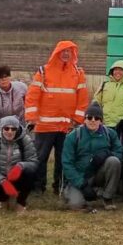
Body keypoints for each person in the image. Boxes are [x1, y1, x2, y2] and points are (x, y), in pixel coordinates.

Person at [25, 40, 88, 195]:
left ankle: (59, 187)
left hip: (67, 126)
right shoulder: (43, 71)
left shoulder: (78, 73)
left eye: (69, 52)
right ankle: (38, 187)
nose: (66, 54)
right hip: (44, 125)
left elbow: (83, 99)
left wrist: (77, 120)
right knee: (40, 157)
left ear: (73, 54)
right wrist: (31, 117)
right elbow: (32, 95)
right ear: (56, 53)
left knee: (63, 159)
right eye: (63, 51)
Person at [93, 60, 123, 201]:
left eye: (121, 70)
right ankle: (103, 186)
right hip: (105, 127)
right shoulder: (104, 85)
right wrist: (97, 119)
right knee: (102, 155)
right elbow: (96, 103)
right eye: (115, 70)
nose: (117, 73)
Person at [61, 103, 123, 211]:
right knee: (76, 205)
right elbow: (67, 164)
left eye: (97, 118)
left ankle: (107, 197)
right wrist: (82, 184)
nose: (93, 120)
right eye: (89, 117)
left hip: (100, 173)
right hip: (81, 176)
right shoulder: (73, 136)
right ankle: (86, 192)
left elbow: (120, 153)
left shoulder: (110, 134)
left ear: (101, 120)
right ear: (84, 119)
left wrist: (108, 153)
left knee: (114, 161)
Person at [0, 116, 38, 213]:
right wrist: (2, 181)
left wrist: (20, 166)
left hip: (19, 177)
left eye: (13, 129)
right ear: (1, 129)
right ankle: (4, 199)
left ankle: (20, 203)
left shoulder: (25, 140)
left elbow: (33, 162)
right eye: (6, 128)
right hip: (1, 178)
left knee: (31, 173)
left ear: (17, 129)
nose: (10, 131)